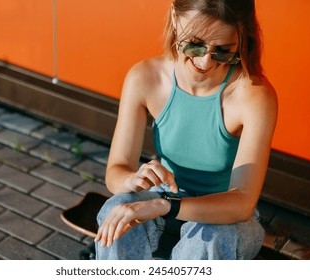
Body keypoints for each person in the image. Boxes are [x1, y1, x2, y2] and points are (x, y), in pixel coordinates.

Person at [94, 0, 278, 260]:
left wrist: (165, 206)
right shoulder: (144, 78)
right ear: (174, 17)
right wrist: (131, 181)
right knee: (118, 208)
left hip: (224, 216)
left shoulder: (253, 95)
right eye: (195, 43)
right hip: (164, 196)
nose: (205, 62)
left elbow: (242, 204)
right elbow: (116, 171)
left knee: (211, 237)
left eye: (224, 51)